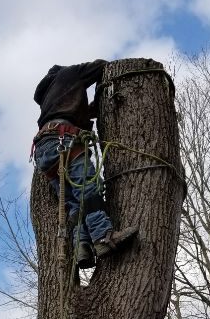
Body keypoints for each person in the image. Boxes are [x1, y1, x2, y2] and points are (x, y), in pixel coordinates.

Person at [32, 60, 138, 269]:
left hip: (43, 150)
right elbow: (101, 66)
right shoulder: (69, 74)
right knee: (89, 188)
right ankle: (102, 237)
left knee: (73, 203)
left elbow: (69, 111)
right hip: (64, 140)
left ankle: (82, 247)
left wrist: (91, 108)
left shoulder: (48, 97)